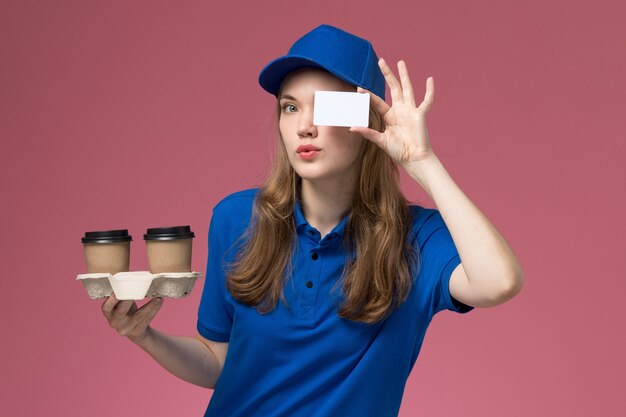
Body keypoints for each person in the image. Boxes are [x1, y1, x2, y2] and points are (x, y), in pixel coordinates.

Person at [101, 24, 524, 417]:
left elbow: (499, 281)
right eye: (290, 107)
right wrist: (143, 335)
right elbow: (217, 363)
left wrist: (423, 162)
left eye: (327, 107)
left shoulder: (416, 238)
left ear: (367, 121)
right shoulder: (235, 219)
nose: (305, 126)